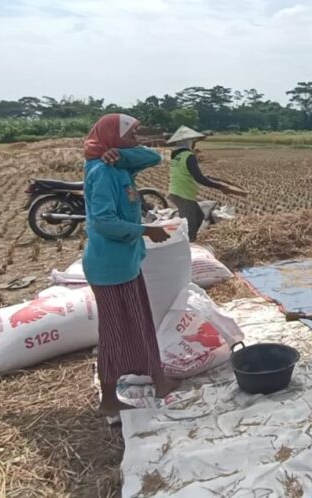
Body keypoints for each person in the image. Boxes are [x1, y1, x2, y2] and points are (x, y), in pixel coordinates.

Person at [82, 113, 178, 415]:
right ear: (113, 135)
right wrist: (146, 230)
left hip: (127, 262)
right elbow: (103, 222)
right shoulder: (102, 172)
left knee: (141, 323)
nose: (137, 139)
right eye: (131, 134)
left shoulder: (119, 165)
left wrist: (122, 152)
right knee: (114, 331)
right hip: (109, 268)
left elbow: (152, 157)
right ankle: (109, 399)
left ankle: (159, 379)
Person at [166, 126, 243, 241]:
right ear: (188, 141)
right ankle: (188, 247)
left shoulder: (176, 155)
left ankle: (187, 241)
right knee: (189, 227)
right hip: (183, 194)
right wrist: (220, 186)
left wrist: (206, 177)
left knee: (199, 216)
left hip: (177, 192)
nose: (195, 145)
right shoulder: (189, 156)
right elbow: (199, 178)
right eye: (193, 142)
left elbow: (186, 173)